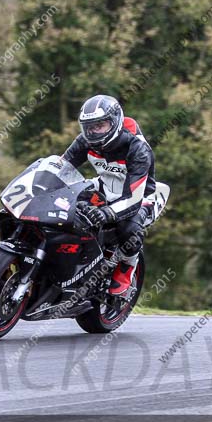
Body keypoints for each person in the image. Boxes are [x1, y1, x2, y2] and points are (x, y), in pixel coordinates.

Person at [62, 94, 156, 296]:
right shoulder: (84, 140)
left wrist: (107, 213)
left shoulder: (138, 149)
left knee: (128, 228)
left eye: (100, 125)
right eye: (89, 126)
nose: (94, 132)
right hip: (104, 188)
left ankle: (127, 266)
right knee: (65, 205)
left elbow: (133, 198)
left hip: (141, 196)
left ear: (115, 122)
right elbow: (61, 168)